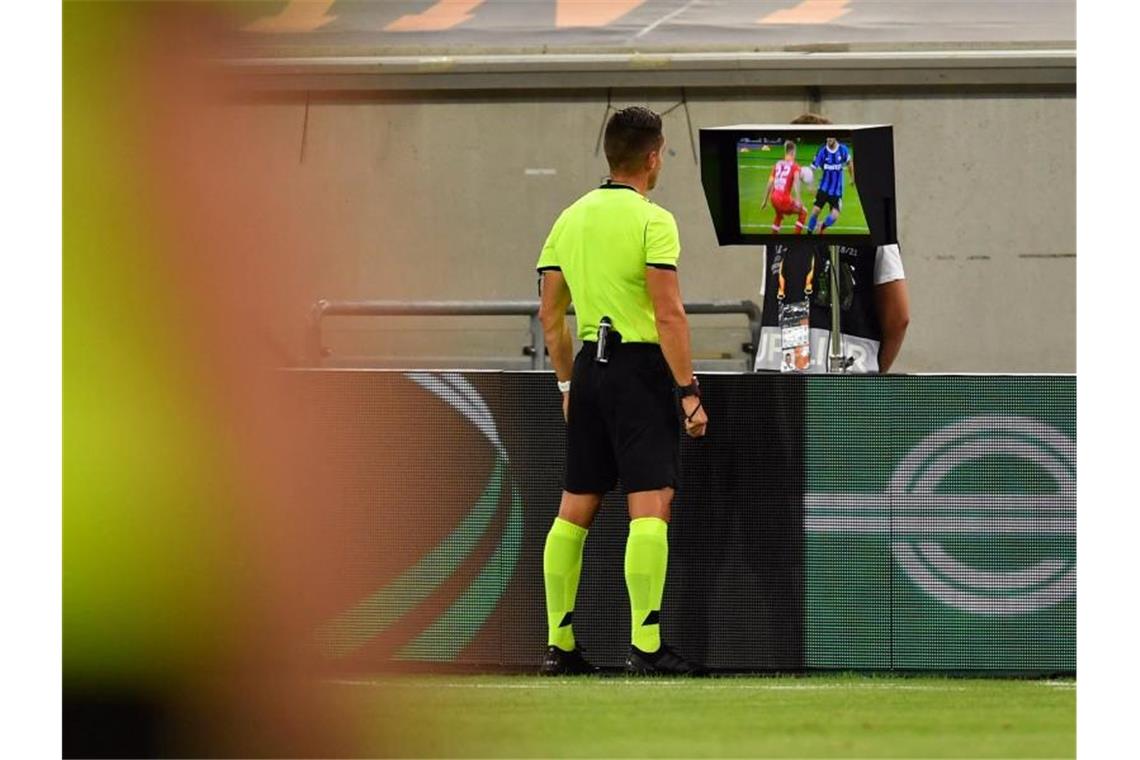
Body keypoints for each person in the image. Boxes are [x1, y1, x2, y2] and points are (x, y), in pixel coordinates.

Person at [534, 106, 708, 676]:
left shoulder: (569, 218)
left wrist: (566, 382)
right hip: (638, 371)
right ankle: (647, 647)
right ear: (654, 157)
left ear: (610, 155)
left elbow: (550, 312)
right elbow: (669, 314)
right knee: (650, 506)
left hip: (588, 368)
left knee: (574, 508)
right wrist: (687, 391)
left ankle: (560, 647)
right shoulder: (653, 221)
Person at [754, 113, 910, 373]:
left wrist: (868, 370)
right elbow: (778, 303)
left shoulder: (876, 226)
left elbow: (898, 317)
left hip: (822, 382)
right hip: (782, 381)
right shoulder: (775, 238)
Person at [806, 135, 854, 235]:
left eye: (831, 137)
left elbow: (849, 163)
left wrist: (852, 178)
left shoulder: (843, 149)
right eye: (827, 137)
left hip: (837, 191)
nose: (829, 140)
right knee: (815, 211)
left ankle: (822, 226)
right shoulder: (822, 151)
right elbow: (812, 168)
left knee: (835, 216)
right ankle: (809, 233)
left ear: (836, 137)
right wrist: (811, 184)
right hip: (824, 188)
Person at [759, 140, 809, 234]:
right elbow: (796, 183)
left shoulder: (777, 164)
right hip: (784, 200)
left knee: (779, 215)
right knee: (804, 212)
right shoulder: (795, 166)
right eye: (795, 153)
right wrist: (798, 200)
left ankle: (774, 240)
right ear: (792, 152)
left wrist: (765, 201)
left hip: (773, 198)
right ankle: (796, 240)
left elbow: (770, 183)